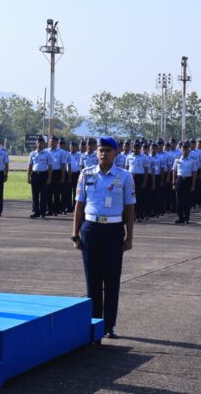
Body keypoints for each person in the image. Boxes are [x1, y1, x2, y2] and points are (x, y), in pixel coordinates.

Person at [72, 136, 135, 339]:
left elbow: (130, 208)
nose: (103, 153)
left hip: (114, 230)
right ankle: (94, 325)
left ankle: (109, 325)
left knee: (112, 280)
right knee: (93, 280)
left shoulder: (125, 177)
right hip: (90, 229)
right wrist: (75, 233)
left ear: (116, 153)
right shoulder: (86, 174)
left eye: (108, 150)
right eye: (100, 150)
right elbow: (79, 205)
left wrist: (130, 238)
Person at [172, 141, 197, 224]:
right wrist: (173, 182)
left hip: (188, 180)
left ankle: (187, 217)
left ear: (189, 150)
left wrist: (193, 185)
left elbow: (194, 173)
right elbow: (174, 172)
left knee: (187, 200)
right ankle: (180, 217)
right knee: (179, 200)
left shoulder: (192, 161)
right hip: (179, 180)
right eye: (183, 148)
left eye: (186, 148)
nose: (185, 150)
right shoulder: (177, 160)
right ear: (181, 149)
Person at [27, 136, 52, 218]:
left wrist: (49, 178)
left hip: (43, 175)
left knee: (43, 195)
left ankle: (43, 212)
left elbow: (50, 167)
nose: (40, 144)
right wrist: (28, 177)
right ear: (36, 143)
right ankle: (36, 212)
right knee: (35, 195)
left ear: (43, 143)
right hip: (34, 175)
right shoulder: (32, 153)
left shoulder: (47, 154)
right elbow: (30, 166)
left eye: (41, 142)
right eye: (38, 142)